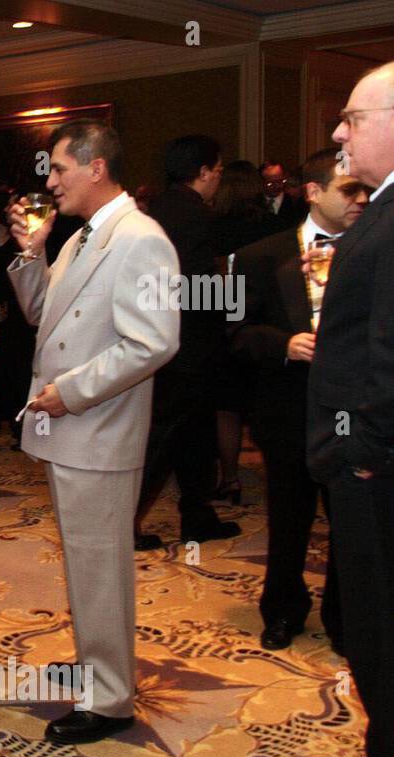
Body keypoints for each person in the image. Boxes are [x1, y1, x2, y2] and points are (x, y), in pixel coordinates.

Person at [6, 119, 179, 744]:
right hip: (73, 433)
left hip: (99, 428)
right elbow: (39, 314)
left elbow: (154, 342)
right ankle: (93, 664)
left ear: (96, 167)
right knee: (85, 561)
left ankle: (110, 699)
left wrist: (71, 392)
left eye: (58, 169)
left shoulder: (140, 239)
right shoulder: (83, 239)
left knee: (102, 564)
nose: (49, 182)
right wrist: (31, 250)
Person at [305, 61, 394, 757]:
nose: (338, 132)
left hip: (376, 464)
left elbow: (387, 354)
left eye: (354, 118)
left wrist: (359, 450)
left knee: (377, 618)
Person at [231, 149, 366, 653]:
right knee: (289, 519)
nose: (361, 199)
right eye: (349, 190)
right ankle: (282, 611)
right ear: (313, 192)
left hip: (354, 412)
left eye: (363, 190)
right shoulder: (259, 256)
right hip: (288, 408)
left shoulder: (372, 249)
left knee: (350, 522)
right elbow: (235, 332)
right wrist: (283, 344)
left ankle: (344, 619)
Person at [135, 135, 241, 550]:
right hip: (186, 347)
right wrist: (236, 298)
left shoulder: (155, 209)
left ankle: (198, 515)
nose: (218, 179)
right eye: (217, 171)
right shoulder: (194, 216)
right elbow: (195, 290)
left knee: (193, 434)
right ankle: (123, 521)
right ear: (202, 172)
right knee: (162, 438)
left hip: (159, 339)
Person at [211, 159, 292, 503]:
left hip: (227, 321)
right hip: (268, 325)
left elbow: (206, 284)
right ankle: (281, 477)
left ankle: (230, 478)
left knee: (227, 407)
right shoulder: (274, 226)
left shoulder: (214, 226)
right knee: (265, 401)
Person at [0, 185, 36, 446]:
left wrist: (5, 301)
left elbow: (24, 271)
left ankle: (18, 422)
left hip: (17, 305)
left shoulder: (19, 237)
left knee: (17, 364)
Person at [262, 160, 308, 226]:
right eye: (271, 183)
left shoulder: (297, 203)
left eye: (280, 181)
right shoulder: (254, 204)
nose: (277, 186)